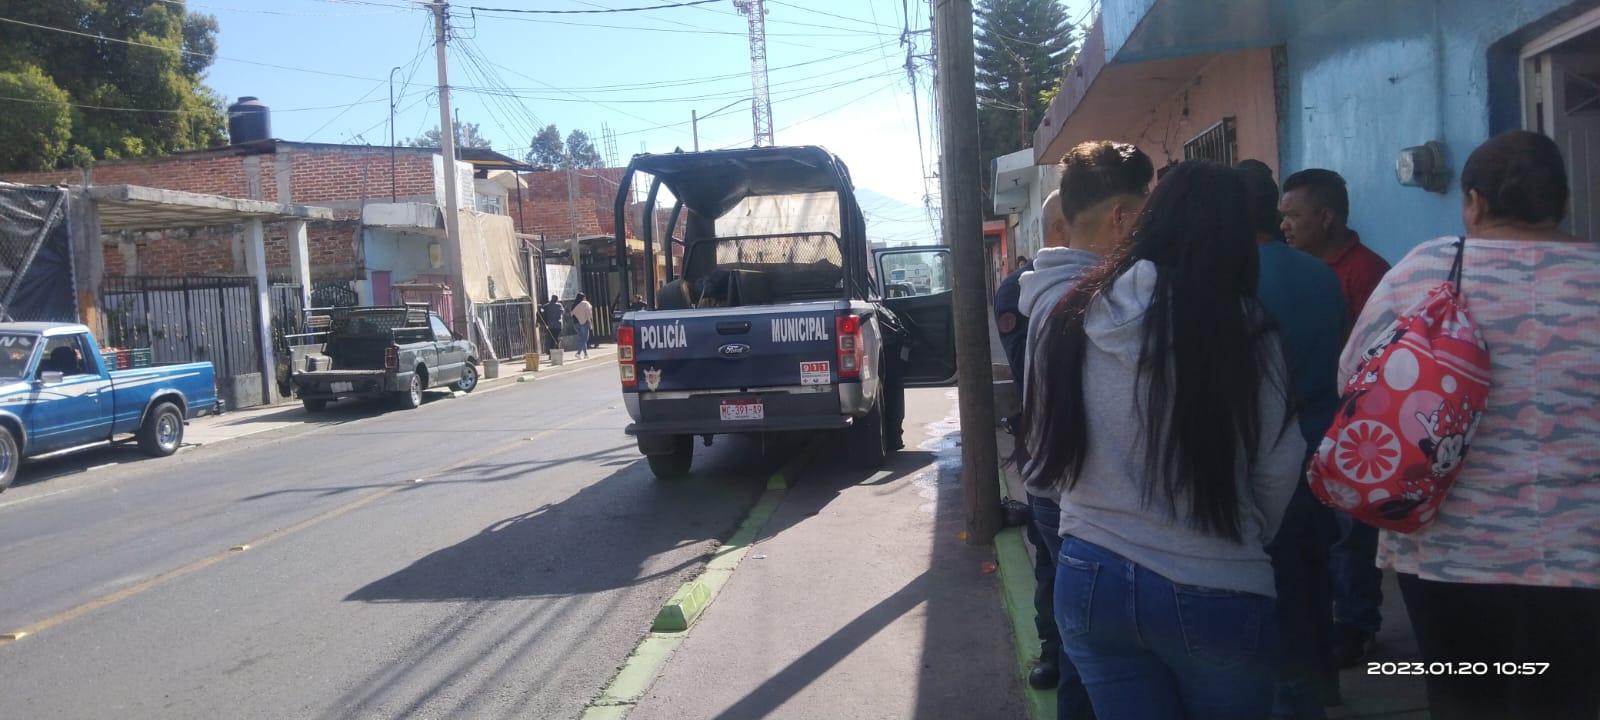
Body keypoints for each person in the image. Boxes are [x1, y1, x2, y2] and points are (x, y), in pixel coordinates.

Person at [1019, 161, 1304, 719]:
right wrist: (1244, 534)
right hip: (1215, 579)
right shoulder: (1246, 327)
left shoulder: (1074, 312)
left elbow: (1044, 459)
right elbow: (1279, 465)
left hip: (1089, 577)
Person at [1340, 130, 1599, 720]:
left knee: (1465, 698)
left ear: (1474, 203)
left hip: (1448, 550)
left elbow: (1355, 377)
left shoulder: (1431, 268)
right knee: (1569, 699)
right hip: (1582, 549)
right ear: (1563, 203)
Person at [1017, 141, 1153, 716]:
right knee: (1096, 657)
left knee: (1082, 648)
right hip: (1092, 504)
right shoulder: (1113, 299)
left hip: (1053, 488)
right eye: (1144, 212)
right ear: (1121, 217)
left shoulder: (1043, 291)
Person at [1241, 161, 1345, 717]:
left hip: (1270, 451)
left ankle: (1297, 701)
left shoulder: (1236, 284)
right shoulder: (1321, 275)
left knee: (1278, 585)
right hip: (1326, 444)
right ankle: (1324, 687)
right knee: (1317, 572)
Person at [1278, 168, 1391, 667]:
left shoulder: (1368, 273)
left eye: (1293, 215)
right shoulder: (1298, 270)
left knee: (1349, 534)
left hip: (1355, 424)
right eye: (1281, 216)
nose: (1284, 225)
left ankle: (1355, 623)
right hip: (1303, 423)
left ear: (1326, 218)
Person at [571, 293, 594, 359]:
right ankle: (578, 353)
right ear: (583, 298)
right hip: (584, 323)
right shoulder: (585, 304)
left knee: (582, 339)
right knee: (585, 339)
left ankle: (586, 354)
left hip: (576, 323)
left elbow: (572, 314)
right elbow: (588, 314)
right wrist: (590, 323)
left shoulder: (574, 304)